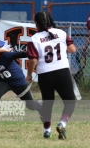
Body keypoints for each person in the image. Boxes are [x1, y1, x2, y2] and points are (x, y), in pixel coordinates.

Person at [26, 11, 76, 139]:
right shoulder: (61, 33)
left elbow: (32, 60)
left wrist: (29, 75)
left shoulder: (34, 38)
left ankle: (47, 130)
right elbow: (72, 50)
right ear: (50, 20)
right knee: (70, 102)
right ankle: (62, 123)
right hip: (62, 71)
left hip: (45, 74)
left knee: (48, 103)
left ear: (36, 23)